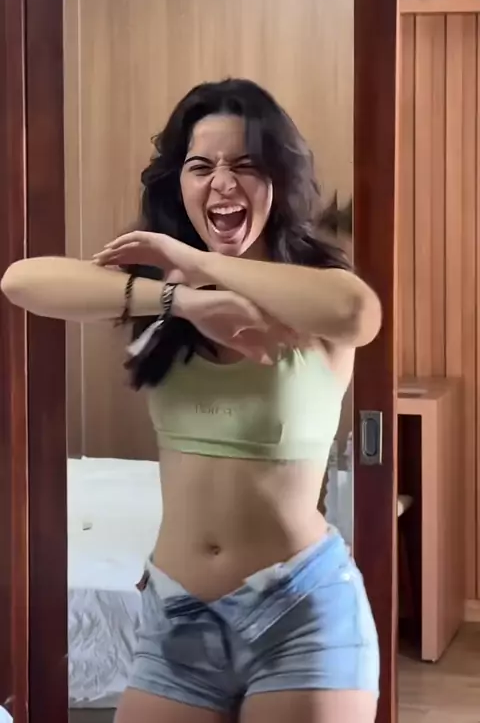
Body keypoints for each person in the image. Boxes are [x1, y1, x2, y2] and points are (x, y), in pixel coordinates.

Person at [1, 79, 382, 723]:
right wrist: (183, 299)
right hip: (178, 620)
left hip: (300, 615)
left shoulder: (311, 289)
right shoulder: (165, 291)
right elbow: (21, 281)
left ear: (278, 179)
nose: (222, 183)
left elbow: (358, 312)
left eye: (245, 165)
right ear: (178, 182)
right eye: (201, 166)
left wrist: (197, 262)